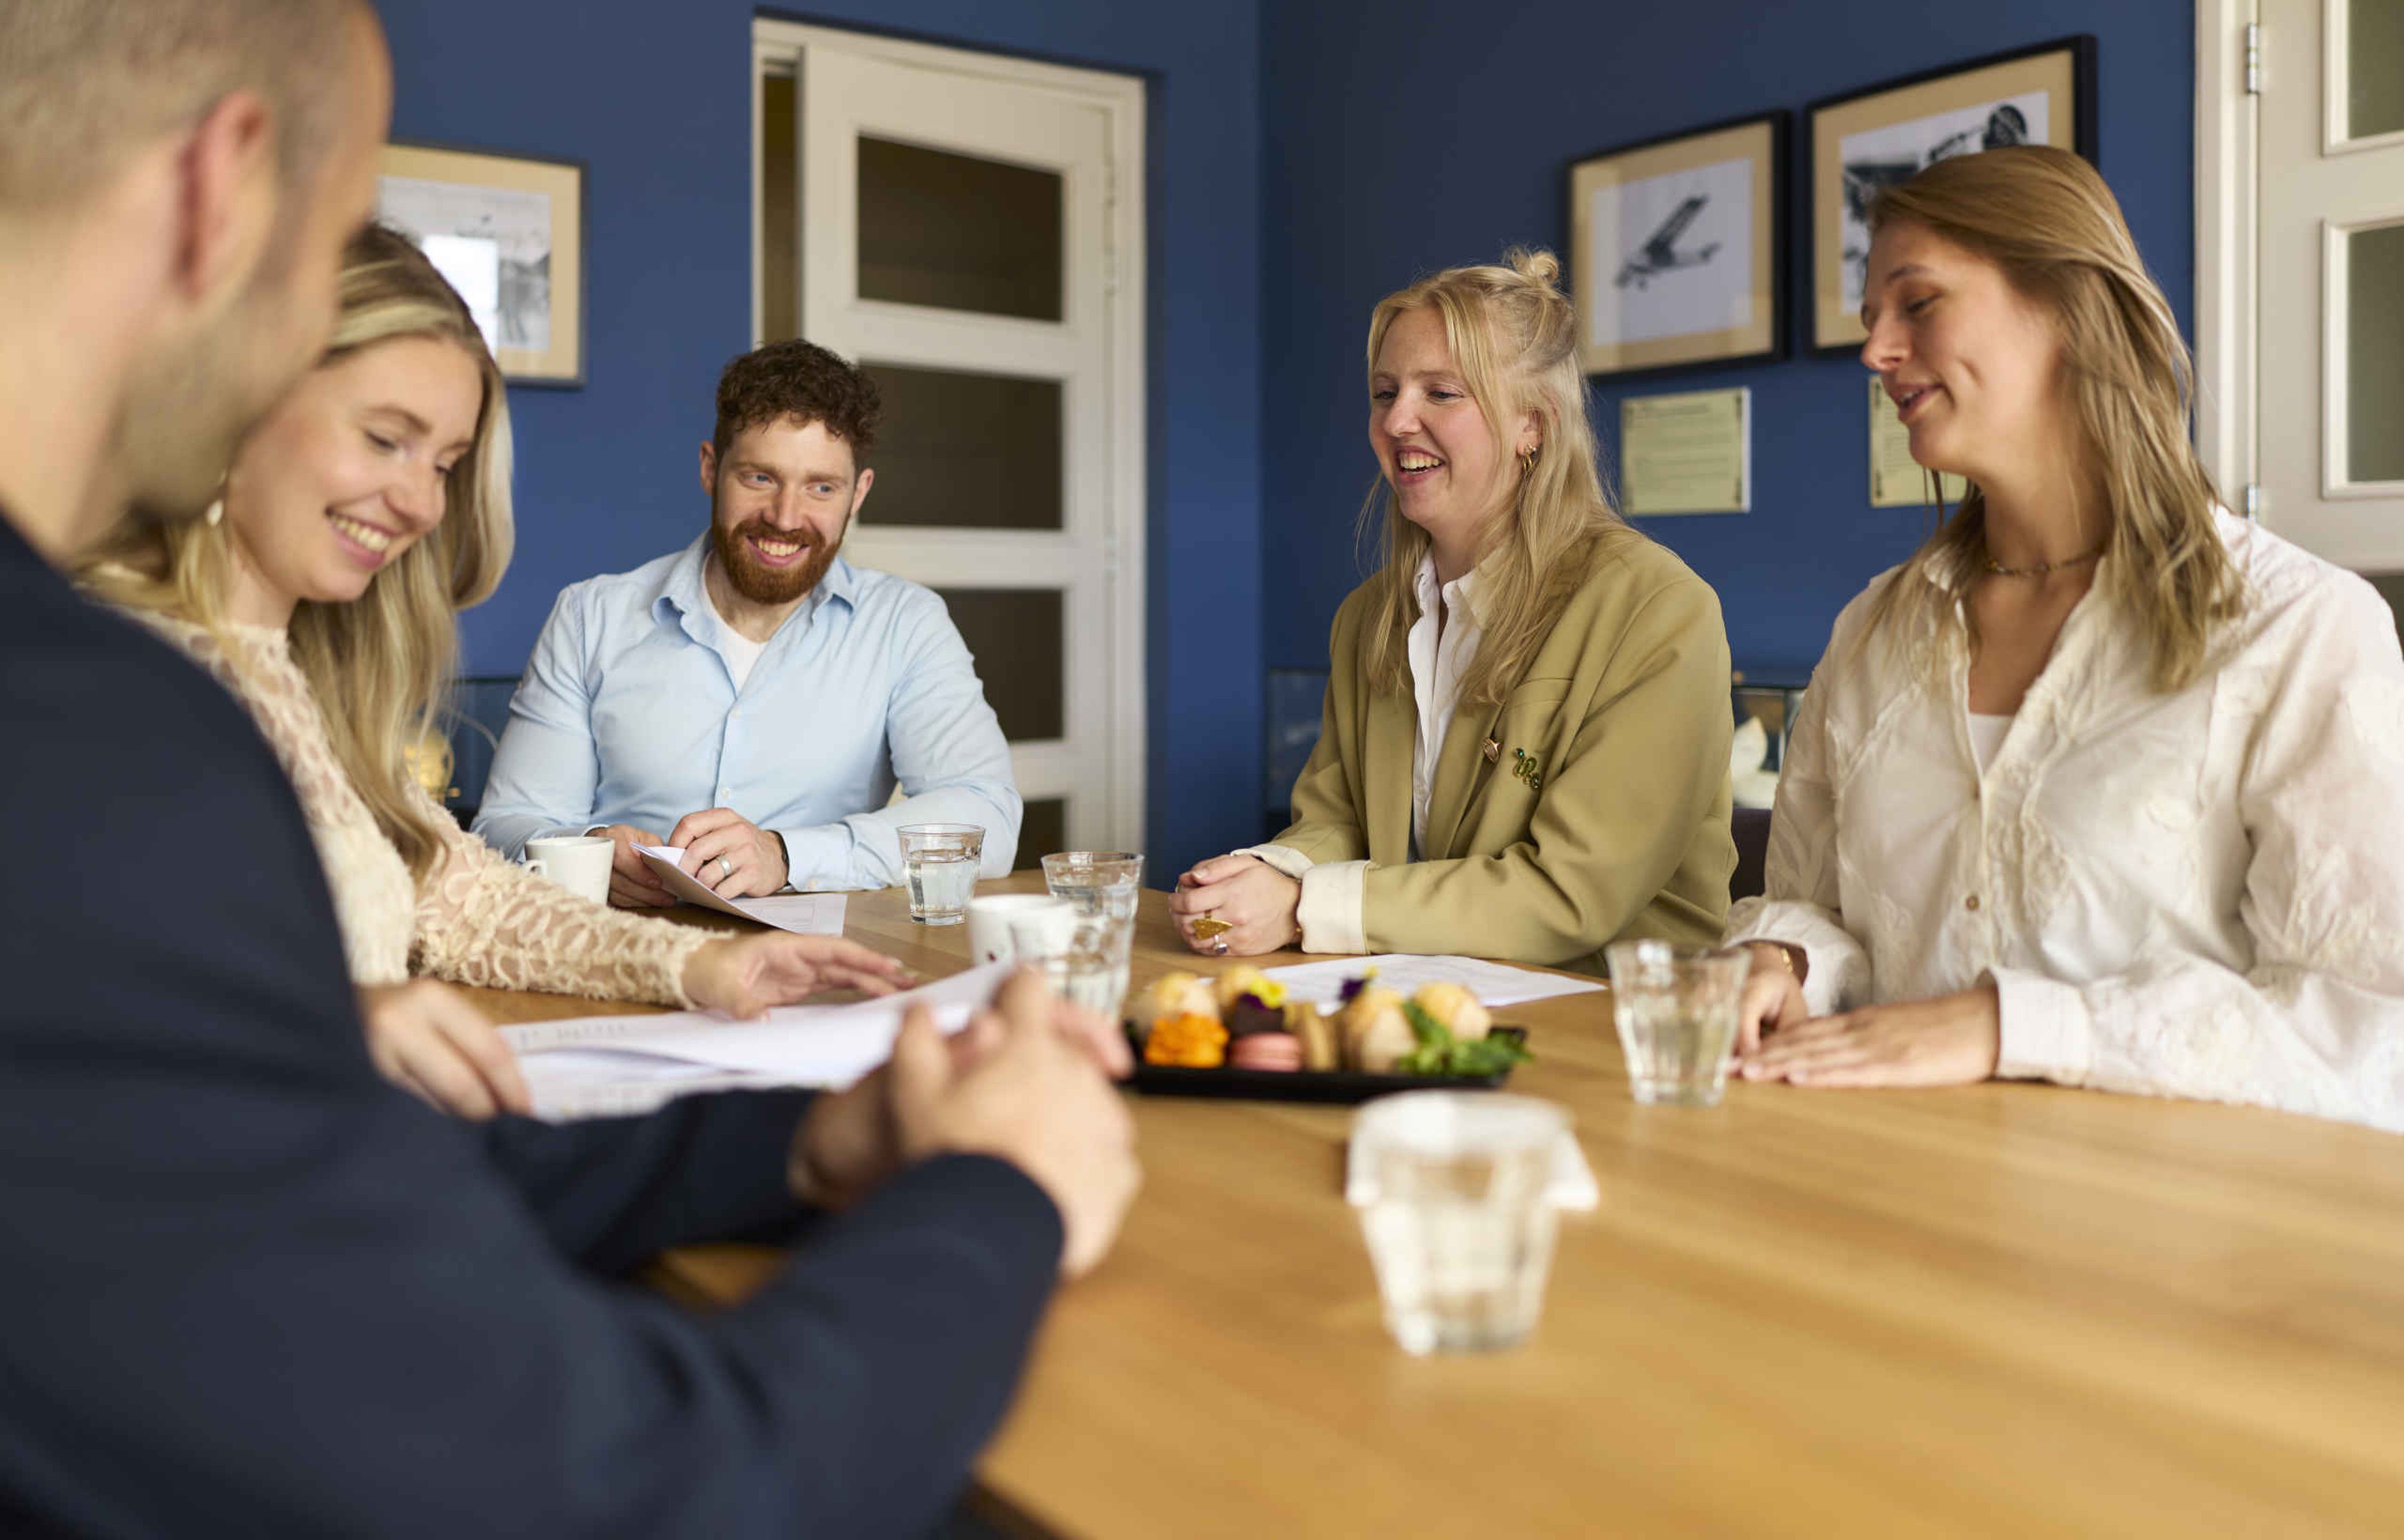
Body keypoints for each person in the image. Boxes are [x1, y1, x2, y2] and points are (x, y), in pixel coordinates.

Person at [0, 5, 1138, 1535]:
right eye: (336, 236)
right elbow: (646, 1486)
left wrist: (795, 1126)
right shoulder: (115, 749)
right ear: (225, 189)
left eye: (446, 460)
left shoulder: (185, 712)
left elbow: (297, 1123)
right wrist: (1000, 1192)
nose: (415, 499)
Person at [81, 225, 910, 1119]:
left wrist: (701, 964)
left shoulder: (312, 685)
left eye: (444, 465)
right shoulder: (99, 670)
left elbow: (461, 899)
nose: (422, 503)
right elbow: (89, 997)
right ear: (238, 403)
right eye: (385, 439)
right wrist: (336, 1023)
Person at [1726, 146, 2404, 1133]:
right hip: (1877, 1195)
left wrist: (2011, 1026)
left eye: (1916, 304)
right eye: (1872, 317)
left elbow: (2367, 1027)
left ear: (2068, 305)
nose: (1874, 351)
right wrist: (1778, 958)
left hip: (2173, 1248)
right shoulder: (1873, 632)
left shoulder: (2301, 629)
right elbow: (1815, 907)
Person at [1171, 249, 1736, 968]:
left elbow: (1573, 894)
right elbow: (1336, 820)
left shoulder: (1658, 608)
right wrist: (1266, 875)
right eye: (1385, 393)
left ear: (1534, 424)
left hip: (1616, 1027)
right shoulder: (1366, 618)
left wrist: (1308, 906)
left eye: (1441, 393)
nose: (1397, 420)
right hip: (1433, 998)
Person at [473, 339, 1022, 905]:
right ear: (711, 469)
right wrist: (586, 852)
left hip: (818, 972)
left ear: (858, 494)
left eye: (821, 488)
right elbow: (505, 825)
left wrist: (788, 856)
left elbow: (989, 818)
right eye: (760, 478)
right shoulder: (590, 619)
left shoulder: (906, 625)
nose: (785, 518)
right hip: (625, 960)